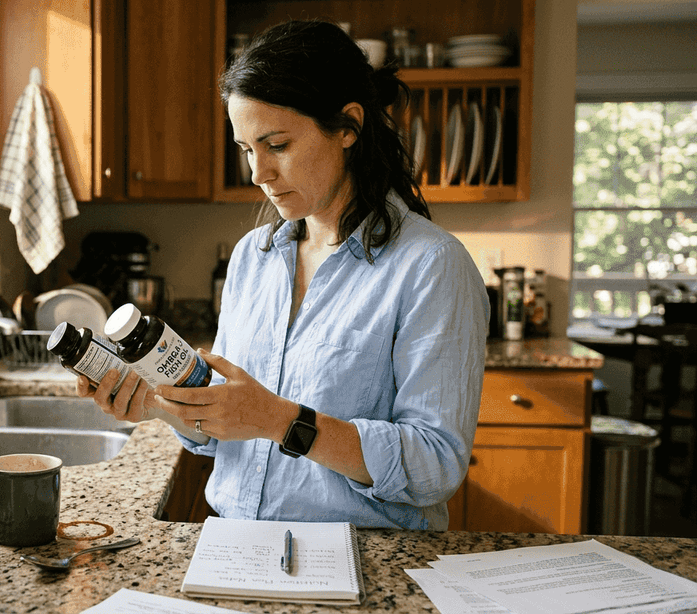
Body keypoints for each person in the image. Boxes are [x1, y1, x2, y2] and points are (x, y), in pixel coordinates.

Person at [77, 19, 489, 530]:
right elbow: (223, 422)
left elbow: (436, 465)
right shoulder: (255, 255)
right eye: (246, 149)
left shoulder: (432, 266)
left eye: (277, 145)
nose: (257, 173)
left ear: (348, 127)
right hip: (235, 546)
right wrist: (159, 404)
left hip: (364, 560)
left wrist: (281, 421)